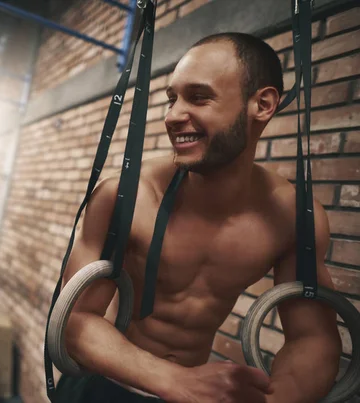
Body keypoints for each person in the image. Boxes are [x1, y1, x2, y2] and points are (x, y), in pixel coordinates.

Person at [54, 32, 342, 403]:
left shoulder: (293, 218)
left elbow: (313, 338)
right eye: (173, 98)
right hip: (106, 384)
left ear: (263, 104)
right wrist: (176, 381)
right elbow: (73, 320)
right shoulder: (128, 196)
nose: (172, 116)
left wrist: (277, 397)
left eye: (199, 97)